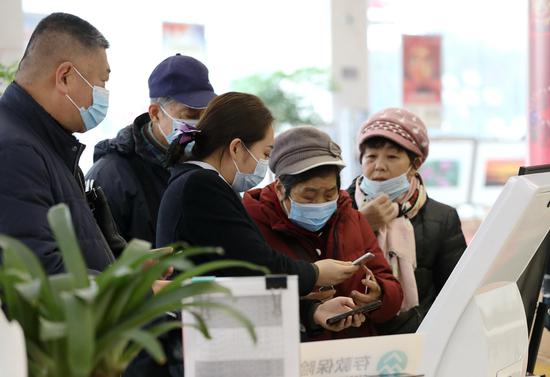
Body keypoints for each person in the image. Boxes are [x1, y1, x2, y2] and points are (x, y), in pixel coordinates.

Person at [156, 91, 365, 334]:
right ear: (236, 148)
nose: (264, 164)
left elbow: (234, 277)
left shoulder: (197, 182)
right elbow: (255, 266)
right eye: (265, 153)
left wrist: (312, 312)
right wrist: (316, 272)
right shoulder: (201, 186)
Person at [243, 126, 403, 340]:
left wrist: (379, 293)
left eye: (329, 194)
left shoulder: (351, 218)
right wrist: (307, 303)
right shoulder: (251, 225)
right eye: (308, 196)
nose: (320, 204)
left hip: (354, 352)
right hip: (291, 354)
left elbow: (391, 285)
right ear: (281, 188)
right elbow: (246, 300)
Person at [0, 12, 114, 273]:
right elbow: (39, 274)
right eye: (102, 82)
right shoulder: (15, 152)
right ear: (65, 77)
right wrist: (134, 291)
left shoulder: (47, 144)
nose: (104, 94)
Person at [348, 107, 467, 334]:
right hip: (354, 336)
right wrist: (361, 224)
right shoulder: (340, 209)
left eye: (392, 157)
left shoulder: (442, 218)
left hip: (420, 337)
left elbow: (454, 292)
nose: (379, 166)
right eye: (370, 156)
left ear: (416, 164)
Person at [86, 54, 215, 246]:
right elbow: (101, 259)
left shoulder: (209, 165)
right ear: (155, 113)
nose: (199, 125)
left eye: (205, 115)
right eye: (190, 115)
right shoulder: (111, 176)